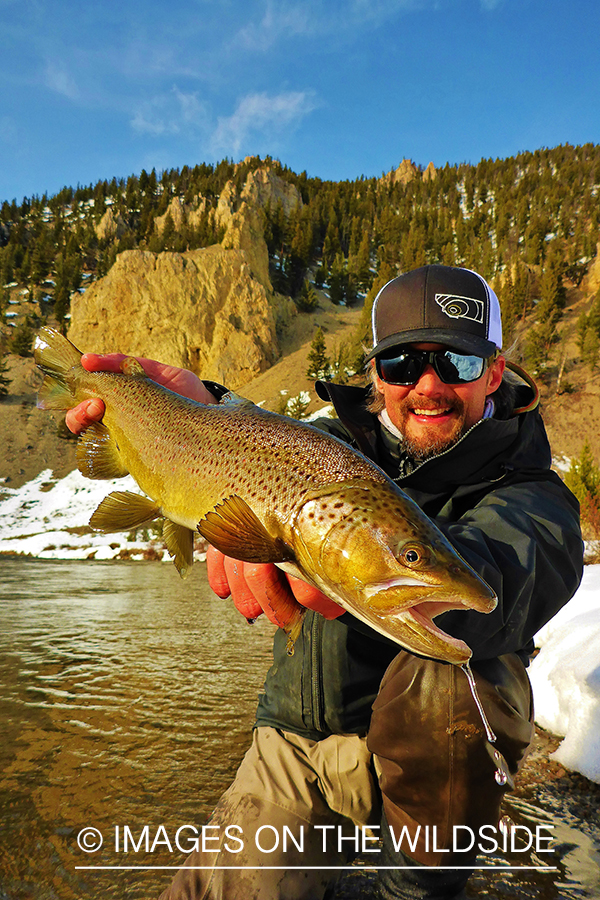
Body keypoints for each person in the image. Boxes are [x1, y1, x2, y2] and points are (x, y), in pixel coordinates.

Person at [66, 265, 584, 900]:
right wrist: (192, 411)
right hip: (298, 740)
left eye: (456, 362)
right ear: (375, 376)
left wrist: (373, 568)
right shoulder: (321, 447)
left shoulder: (534, 495)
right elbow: (244, 437)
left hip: (430, 772)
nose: (428, 386)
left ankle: (417, 883)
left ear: (495, 372)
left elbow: (500, 579)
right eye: (400, 365)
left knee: (455, 668)